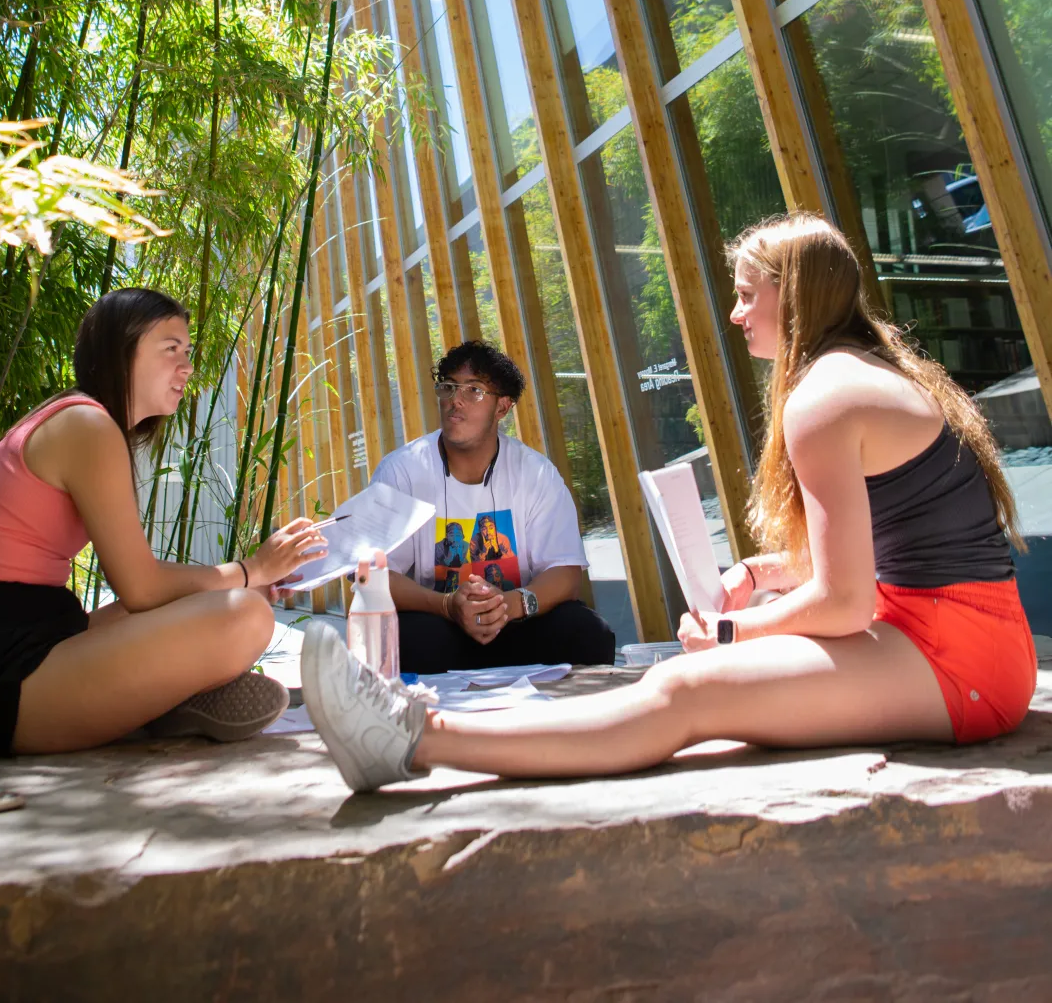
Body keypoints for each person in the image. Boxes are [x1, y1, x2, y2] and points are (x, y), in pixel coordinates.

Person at [300, 213, 1038, 791]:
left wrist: (727, 635)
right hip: (962, 640)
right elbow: (891, 547)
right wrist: (775, 572)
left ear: (796, 293)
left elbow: (846, 604)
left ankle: (414, 739)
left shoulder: (825, 398)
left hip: (952, 656)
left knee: (686, 687)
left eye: (750, 293)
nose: (737, 312)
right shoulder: (862, 373)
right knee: (686, 682)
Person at [0, 287, 326, 757]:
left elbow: (142, 590)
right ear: (121, 350)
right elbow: (139, 587)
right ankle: (163, 703)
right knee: (246, 615)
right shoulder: (87, 425)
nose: (186, 367)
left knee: (235, 601)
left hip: (31, 650)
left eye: (188, 353)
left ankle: (163, 705)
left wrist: (247, 580)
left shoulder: (80, 420)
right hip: (5, 686)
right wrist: (253, 570)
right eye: (170, 350)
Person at [369, 339, 615, 673]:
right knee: (403, 636)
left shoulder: (536, 472)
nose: (456, 399)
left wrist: (511, 605)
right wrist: (446, 605)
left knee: (585, 630)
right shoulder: (402, 470)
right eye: (449, 387)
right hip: (439, 623)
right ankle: (435, 724)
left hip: (518, 620)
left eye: (474, 390)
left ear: (502, 408)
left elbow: (566, 572)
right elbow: (375, 575)